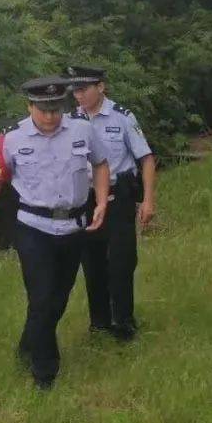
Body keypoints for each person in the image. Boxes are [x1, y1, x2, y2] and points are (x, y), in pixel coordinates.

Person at [0, 77, 109, 389]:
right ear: (29, 106)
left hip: (74, 226)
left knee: (57, 299)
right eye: (43, 110)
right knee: (43, 296)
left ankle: (28, 344)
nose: (50, 116)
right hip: (34, 228)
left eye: (55, 109)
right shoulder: (12, 137)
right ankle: (44, 374)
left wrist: (101, 202)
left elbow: (100, 164)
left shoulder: (81, 130)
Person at [64, 65, 156, 341]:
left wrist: (148, 201)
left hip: (118, 198)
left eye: (83, 89)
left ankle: (124, 322)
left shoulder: (122, 118)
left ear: (101, 87)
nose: (78, 95)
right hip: (87, 199)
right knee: (91, 263)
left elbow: (146, 159)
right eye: (75, 91)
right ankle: (100, 322)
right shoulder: (70, 121)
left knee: (120, 261)